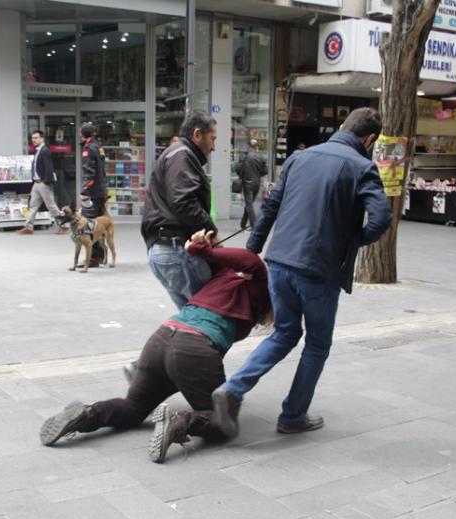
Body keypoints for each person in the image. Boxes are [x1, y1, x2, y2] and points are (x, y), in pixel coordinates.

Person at [211, 108, 393, 438]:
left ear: (341, 127)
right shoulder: (363, 167)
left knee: (284, 333)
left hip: (279, 262)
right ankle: (293, 415)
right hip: (318, 271)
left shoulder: (299, 158)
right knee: (317, 345)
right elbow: (381, 219)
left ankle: (232, 389)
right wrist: (350, 242)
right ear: (369, 140)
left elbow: (270, 207)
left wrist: (251, 251)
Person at [39, 230, 271, 464]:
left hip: (160, 340)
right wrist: (203, 249)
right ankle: (180, 422)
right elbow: (251, 261)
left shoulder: (222, 276)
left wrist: (204, 247)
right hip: (194, 349)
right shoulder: (262, 287)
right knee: (223, 425)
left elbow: (231, 262)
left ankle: (88, 414)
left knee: (133, 407)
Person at [141, 111, 218, 309]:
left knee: (192, 319)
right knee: (208, 314)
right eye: (212, 138)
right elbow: (184, 201)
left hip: (166, 250)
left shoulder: (176, 153)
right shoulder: (182, 155)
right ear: (198, 134)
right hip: (176, 250)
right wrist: (212, 232)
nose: (214, 147)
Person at [18, 130, 67, 235]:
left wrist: (46, 181)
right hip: (36, 183)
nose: (34, 140)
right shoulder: (38, 150)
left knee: (51, 206)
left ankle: (64, 225)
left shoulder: (45, 151)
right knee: (33, 205)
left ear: (42, 138)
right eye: (33, 138)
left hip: (43, 183)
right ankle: (29, 227)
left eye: (36, 138)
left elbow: (49, 168)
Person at [78, 123, 108, 267]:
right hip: (100, 191)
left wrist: (84, 191)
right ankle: (101, 255)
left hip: (93, 193)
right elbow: (102, 171)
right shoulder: (98, 146)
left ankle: (93, 257)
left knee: (90, 225)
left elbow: (90, 172)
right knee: (99, 224)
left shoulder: (89, 149)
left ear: (83, 134)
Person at [235, 138, 268, 230]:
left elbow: (237, 168)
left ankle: (254, 225)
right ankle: (243, 223)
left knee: (249, 204)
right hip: (257, 183)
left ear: (248, 146)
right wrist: (258, 175)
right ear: (256, 147)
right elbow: (265, 170)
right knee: (249, 203)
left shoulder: (244, 156)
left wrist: (242, 175)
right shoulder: (261, 157)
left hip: (247, 183)